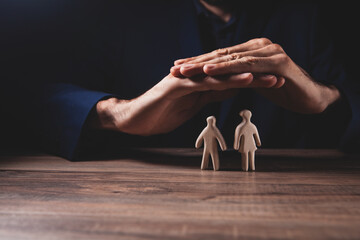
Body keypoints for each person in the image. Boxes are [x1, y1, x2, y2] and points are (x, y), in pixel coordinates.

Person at [4, 0, 358, 160]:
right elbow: (23, 94)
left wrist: (330, 98)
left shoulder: (316, 15)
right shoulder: (117, 13)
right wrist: (116, 113)